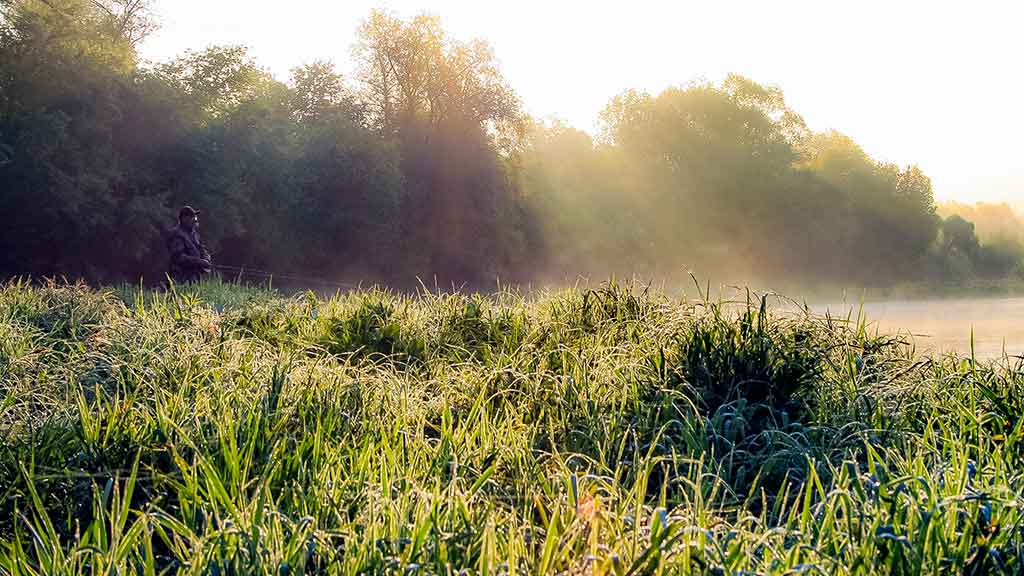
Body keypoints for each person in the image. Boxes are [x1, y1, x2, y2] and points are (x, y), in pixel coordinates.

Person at [167, 205, 212, 284]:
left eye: (195, 217)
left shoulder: (194, 234)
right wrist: (199, 262)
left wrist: (206, 259)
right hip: (180, 278)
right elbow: (179, 257)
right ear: (184, 219)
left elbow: (202, 249)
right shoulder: (176, 234)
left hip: (195, 278)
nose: (195, 220)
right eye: (192, 217)